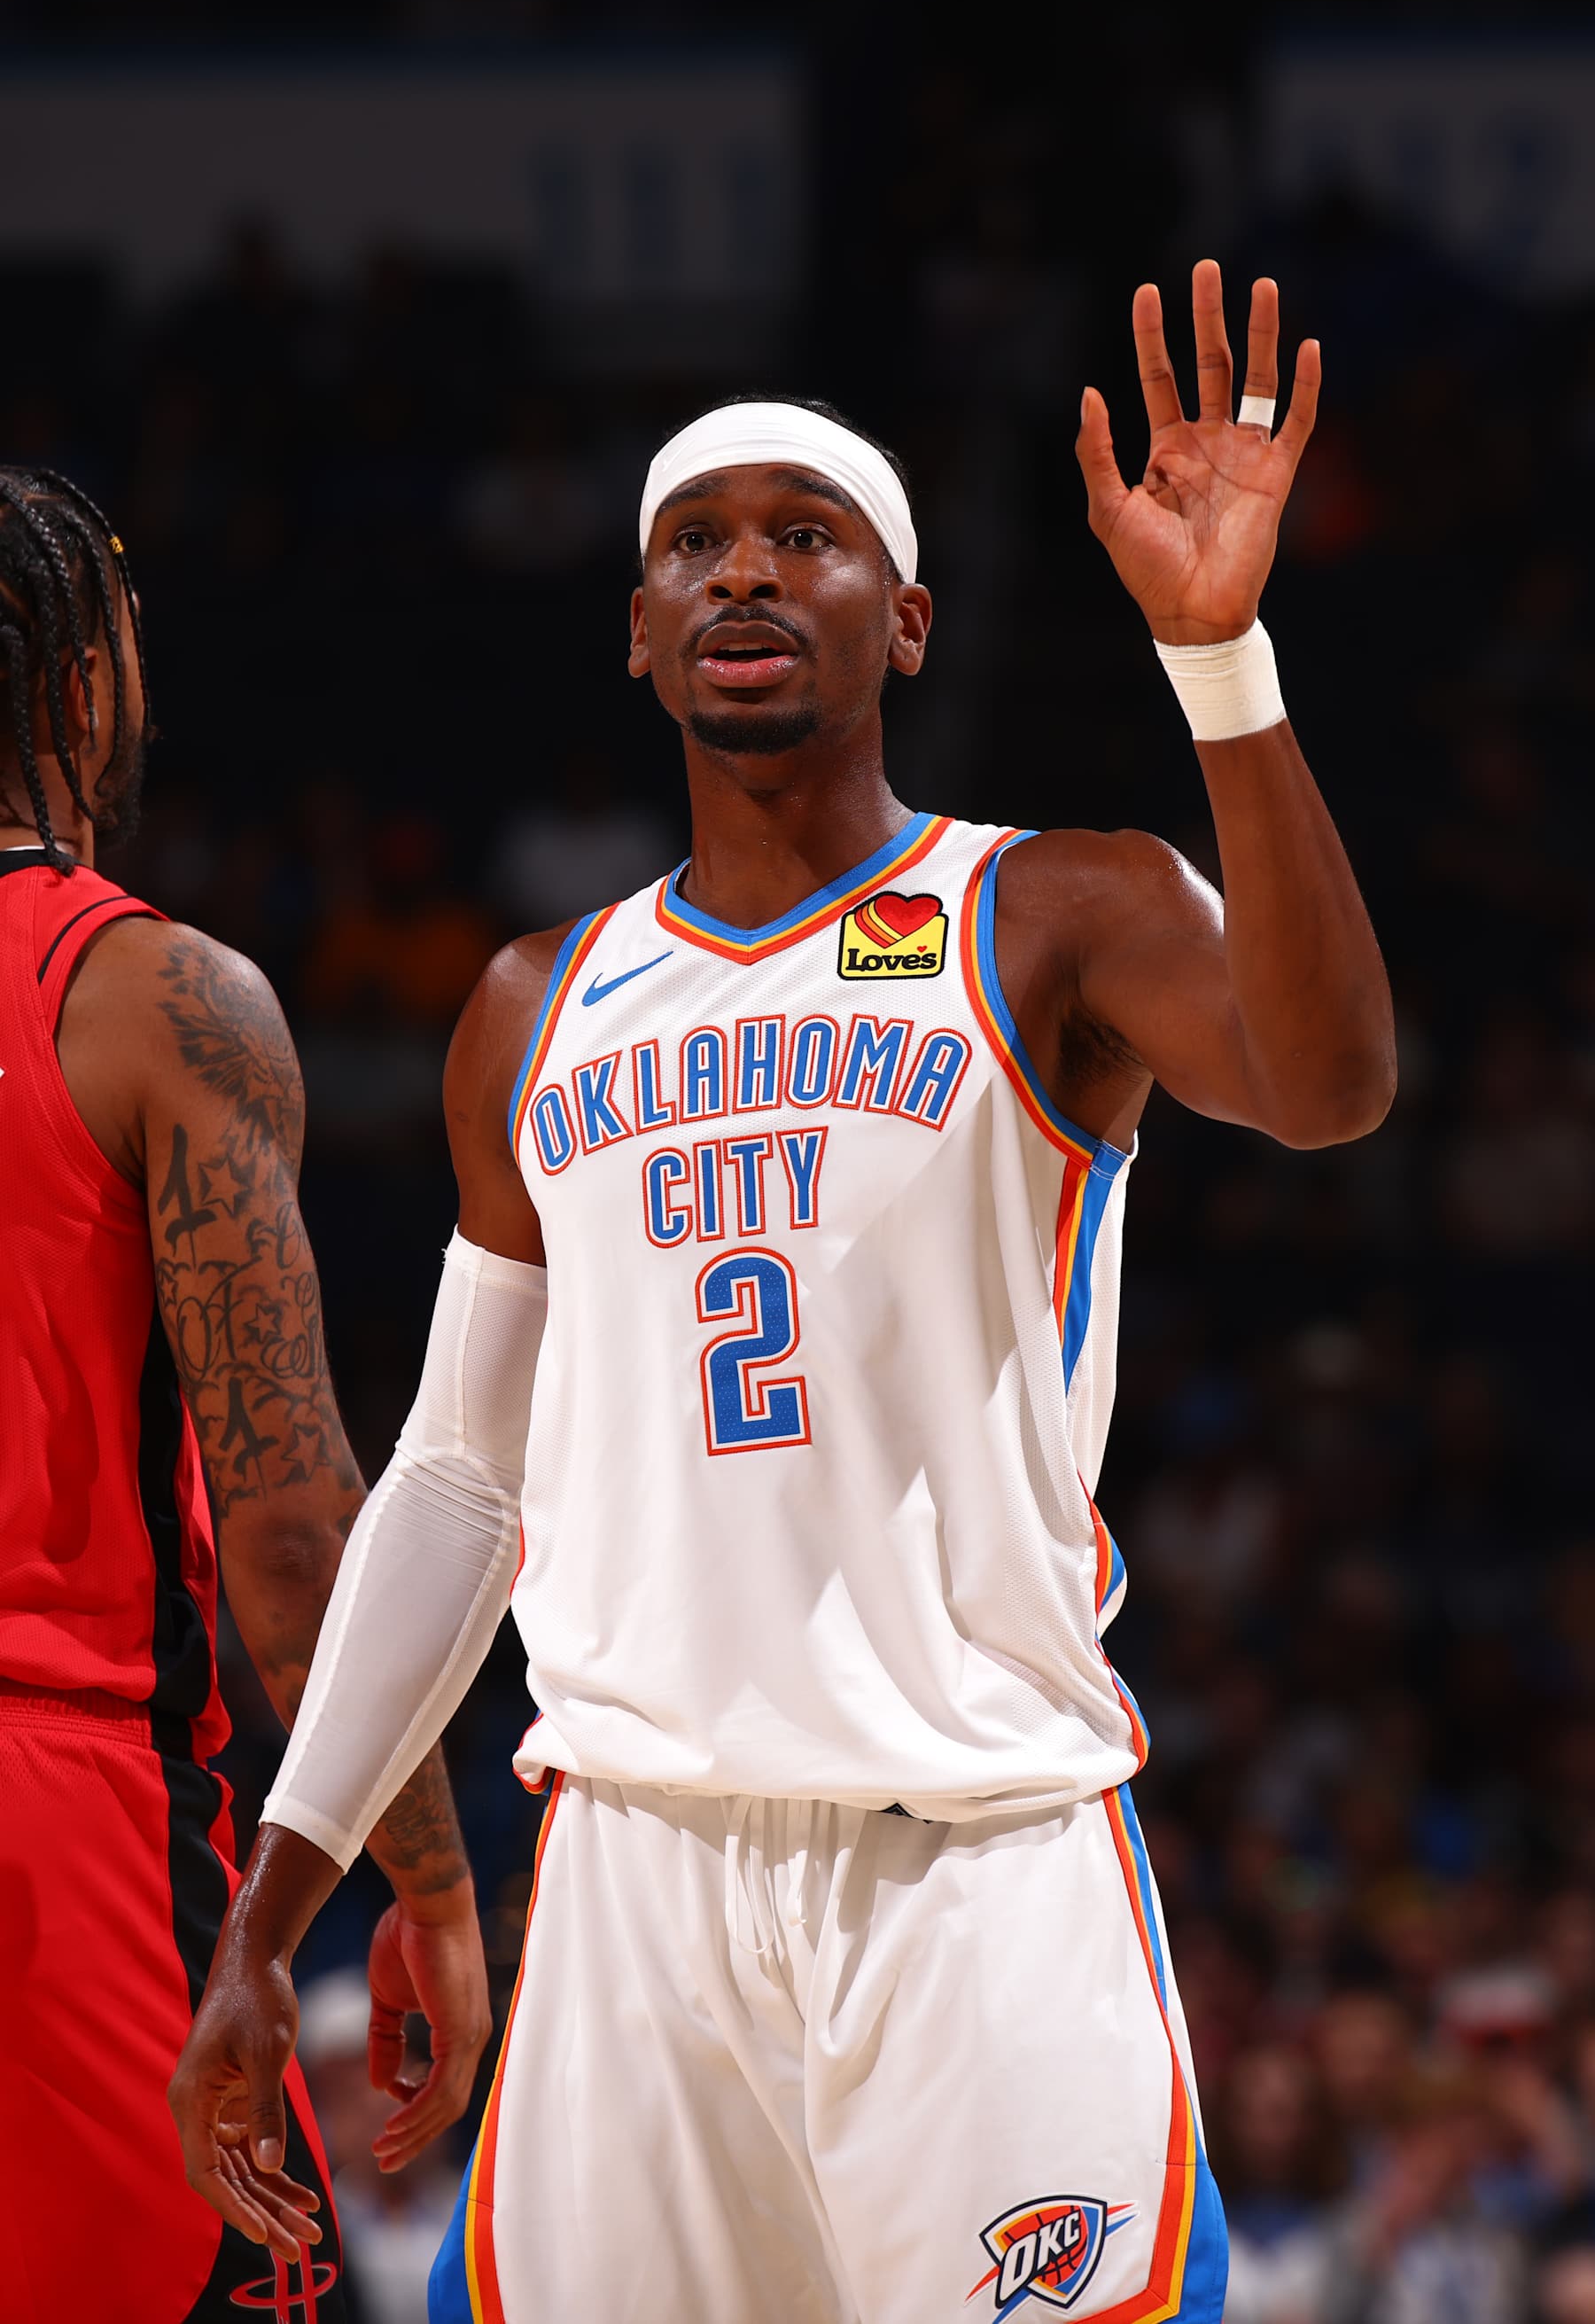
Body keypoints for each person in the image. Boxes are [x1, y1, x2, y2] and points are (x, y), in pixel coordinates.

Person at [171, 261, 1396, 2323]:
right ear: (643, 640)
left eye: (805, 539)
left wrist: (1225, 667)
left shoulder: (1048, 910)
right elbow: (459, 1492)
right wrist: (267, 1914)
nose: (746, 574)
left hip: (974, 1865)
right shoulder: (530, 1010)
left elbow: (1336, 1084)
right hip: (636, 1879)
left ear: (903, 620)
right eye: (696, 548)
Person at [0, 468, 492, 2324]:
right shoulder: (151, 999)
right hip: (59, 1829)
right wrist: (426, 1889)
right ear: (80, 691)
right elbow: (292, 1535)